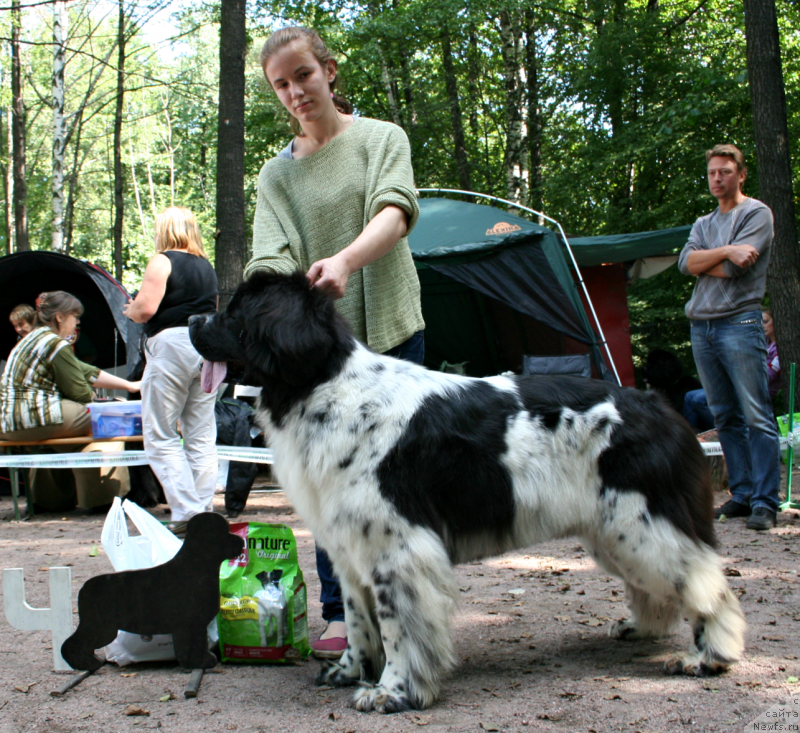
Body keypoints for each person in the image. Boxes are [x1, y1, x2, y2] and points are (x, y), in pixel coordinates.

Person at [247, 26, 425, 659]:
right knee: (330, 485)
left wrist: (345, 261)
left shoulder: (382, 138)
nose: (296, 91)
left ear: (328, 70)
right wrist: (293, 292)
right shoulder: (276, 176)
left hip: (392, 337)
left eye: (303, 74)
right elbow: (267, 257)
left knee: (395, 490)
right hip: (322, 360)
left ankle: (403, 611)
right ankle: (344, 616)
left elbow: (396, 210)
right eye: (282, 84)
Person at [678, 144, 781, 531]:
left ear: (740, 173)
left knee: (756, 414)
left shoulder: (756, 213)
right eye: (711, 173)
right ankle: (741, 495)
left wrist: (713, 261)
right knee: (724, 415)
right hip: (701, 326)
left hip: (739, 323)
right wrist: (723, 252)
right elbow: (686, 263)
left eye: (724, 172)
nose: (717, 179)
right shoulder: (703, 223)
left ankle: (765, 503)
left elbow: (738, 269)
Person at [123, 207, 219, 537]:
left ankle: (188, 512)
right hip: (207, 348)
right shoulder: (206, 267)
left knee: (161, 435)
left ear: (163, 231)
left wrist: (131, 309)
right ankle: (203, 510)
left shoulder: (162, 261)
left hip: (172, 345)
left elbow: (146, 308)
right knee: (201, 436)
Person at [0, 291, 141, 511]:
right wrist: (111, 402)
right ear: (59, 317)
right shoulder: (55, 344)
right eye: (75, 318)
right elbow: (81, 394)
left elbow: (85, 370)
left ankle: (49, 499)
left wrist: (131, 385)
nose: (76, 324)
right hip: (35, 417)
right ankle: (106, 498)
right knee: (111, 418)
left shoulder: (32, 339)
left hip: (8, 422)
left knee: (84, 432)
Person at [683, 307, 780, 432]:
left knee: (699, 400)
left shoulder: (777, 350)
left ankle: (728, 430)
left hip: (754, 390)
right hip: (739, 384)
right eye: (759, 321)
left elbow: (767, 377)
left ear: (776, 322)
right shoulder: (762, 343)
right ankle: (693, 433)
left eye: (765, 321)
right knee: (689, 396)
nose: (762, 325)